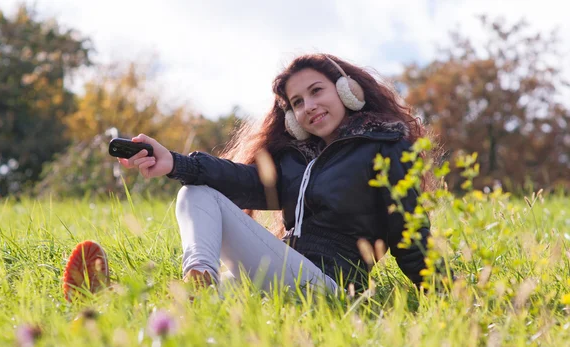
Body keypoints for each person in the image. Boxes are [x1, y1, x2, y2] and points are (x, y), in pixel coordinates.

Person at [63, 53, 443, 300]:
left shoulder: (386, 146)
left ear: (347, 91)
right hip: (283, 270)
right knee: (195, 192)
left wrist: (450, 294)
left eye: (316, 91)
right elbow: (238, 180)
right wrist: (173, 163)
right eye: (297, 102)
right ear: (292, 118)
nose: (309, 106)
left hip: (332, 285)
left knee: (202, 202)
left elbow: (409, 233)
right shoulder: (298, 162)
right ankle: (118, 295)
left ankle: (196, 284)